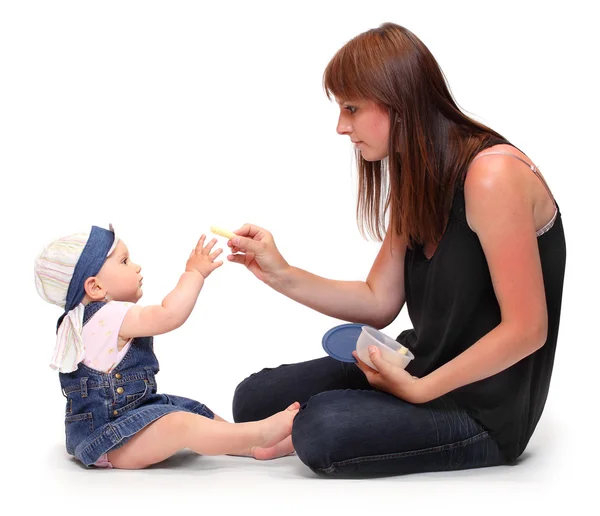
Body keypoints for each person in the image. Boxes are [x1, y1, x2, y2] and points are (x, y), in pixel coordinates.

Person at [227, 22, 566, 477]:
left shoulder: (492, 177)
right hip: (418, 367)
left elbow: (528, 329)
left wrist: (419, 391)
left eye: (351, 108)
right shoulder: (421, 174)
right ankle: (365, 413)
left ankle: (354, 417)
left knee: (321, 429)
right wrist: (279, 272)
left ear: (398, 103)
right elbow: (378, 300)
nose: (340, 127)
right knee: (252, 400)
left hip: (483, 410)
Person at [34, 224, 299, 470]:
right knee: (180, 424)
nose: (136, 267)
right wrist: (193, 273)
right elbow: (168, 315)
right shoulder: (108, 315)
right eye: (124, 261)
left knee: (191, 409)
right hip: (112, 441)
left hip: (119, 426)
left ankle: (250, 445)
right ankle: (258, 435)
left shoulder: (81, 322)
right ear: (95, 286)